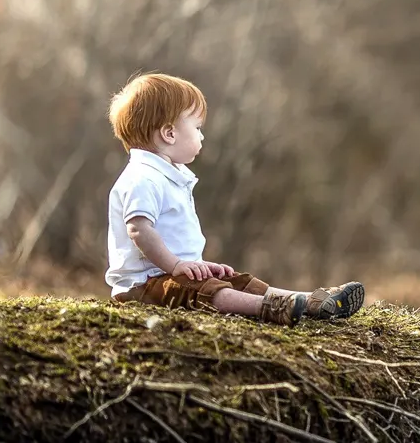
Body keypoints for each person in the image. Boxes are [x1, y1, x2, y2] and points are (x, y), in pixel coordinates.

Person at [104, 73, 363, 326]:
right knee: (209, 291)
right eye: (197, 128)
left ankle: (311, 302)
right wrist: (177, 265)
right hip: (143, 286)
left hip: (172, 275)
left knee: (239, 281)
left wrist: (196, 264)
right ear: (169, 133)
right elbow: (138, 229)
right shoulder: (143, 178)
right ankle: (268, 308)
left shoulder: (168, 176)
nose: (201, 136)